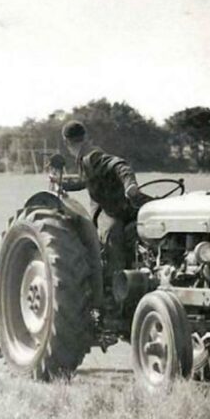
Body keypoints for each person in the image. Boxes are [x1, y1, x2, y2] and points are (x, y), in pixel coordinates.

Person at [53, 120, 150, 310]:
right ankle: (114, 291)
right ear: (85, 137)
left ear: (67, 142)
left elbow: (119, 165)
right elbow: (86, 181)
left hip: (114, 208)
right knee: (111, 233)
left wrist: (130, 184)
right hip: (114, 208)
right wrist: (62, 184)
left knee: (112, 234)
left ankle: (118, 293)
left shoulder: (92, 156)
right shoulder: (85, 157)